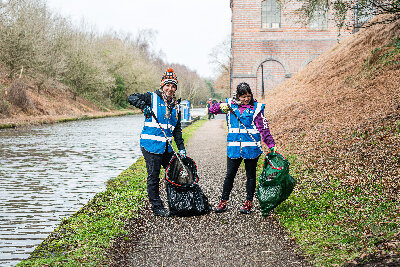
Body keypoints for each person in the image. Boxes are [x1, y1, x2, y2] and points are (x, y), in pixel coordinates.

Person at [209, 82, 277, 214]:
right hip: (234, 149)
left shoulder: (256, 108)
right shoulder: (230, 105)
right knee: (229, 175)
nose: (246, 99)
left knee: (251, 176)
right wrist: (220, 106)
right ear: (238, 96)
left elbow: (264, 128)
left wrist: (271, 144)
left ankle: (248, 202)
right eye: (243, 96)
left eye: (248, 96)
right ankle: (223, 201)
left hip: (251, 149)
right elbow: (212, 110)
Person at [128, 68, 186, 217]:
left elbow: (177, 130)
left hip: (167, 147)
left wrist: (181, 148)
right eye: (167, 85)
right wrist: (143, 106)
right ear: (162, 85)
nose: (170, 89)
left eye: (173, 86)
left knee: (174, 174)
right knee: (153, 176)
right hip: (151, 145)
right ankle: (157, 207)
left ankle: (175, 202)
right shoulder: (152, 97)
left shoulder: (176, 106)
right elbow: (131, 97)